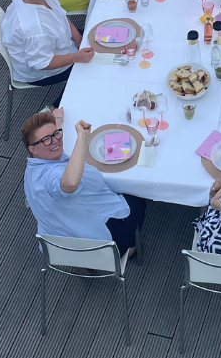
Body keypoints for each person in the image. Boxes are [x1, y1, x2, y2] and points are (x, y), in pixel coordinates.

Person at [23, 110, 147, 256]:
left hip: (58, 246)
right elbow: (69, 183)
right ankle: (129, 249)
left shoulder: (33, 168)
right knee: (137, 200)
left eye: (56, 134)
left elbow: (49, 138)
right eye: (46, 140)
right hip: (100, 246)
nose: (55, 141)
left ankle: (80, 265)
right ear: (33, 149)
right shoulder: (53, 175)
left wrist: (57, 119)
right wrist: (82, 137)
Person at [1, 0, 93, 86]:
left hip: (64, 45)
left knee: (98, 38)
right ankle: (55, 105)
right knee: (96, 69)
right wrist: (75, 57)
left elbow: (61, 15)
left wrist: (78, 38)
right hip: (45, 71)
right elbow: (42, 63)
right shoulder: (36, 29)